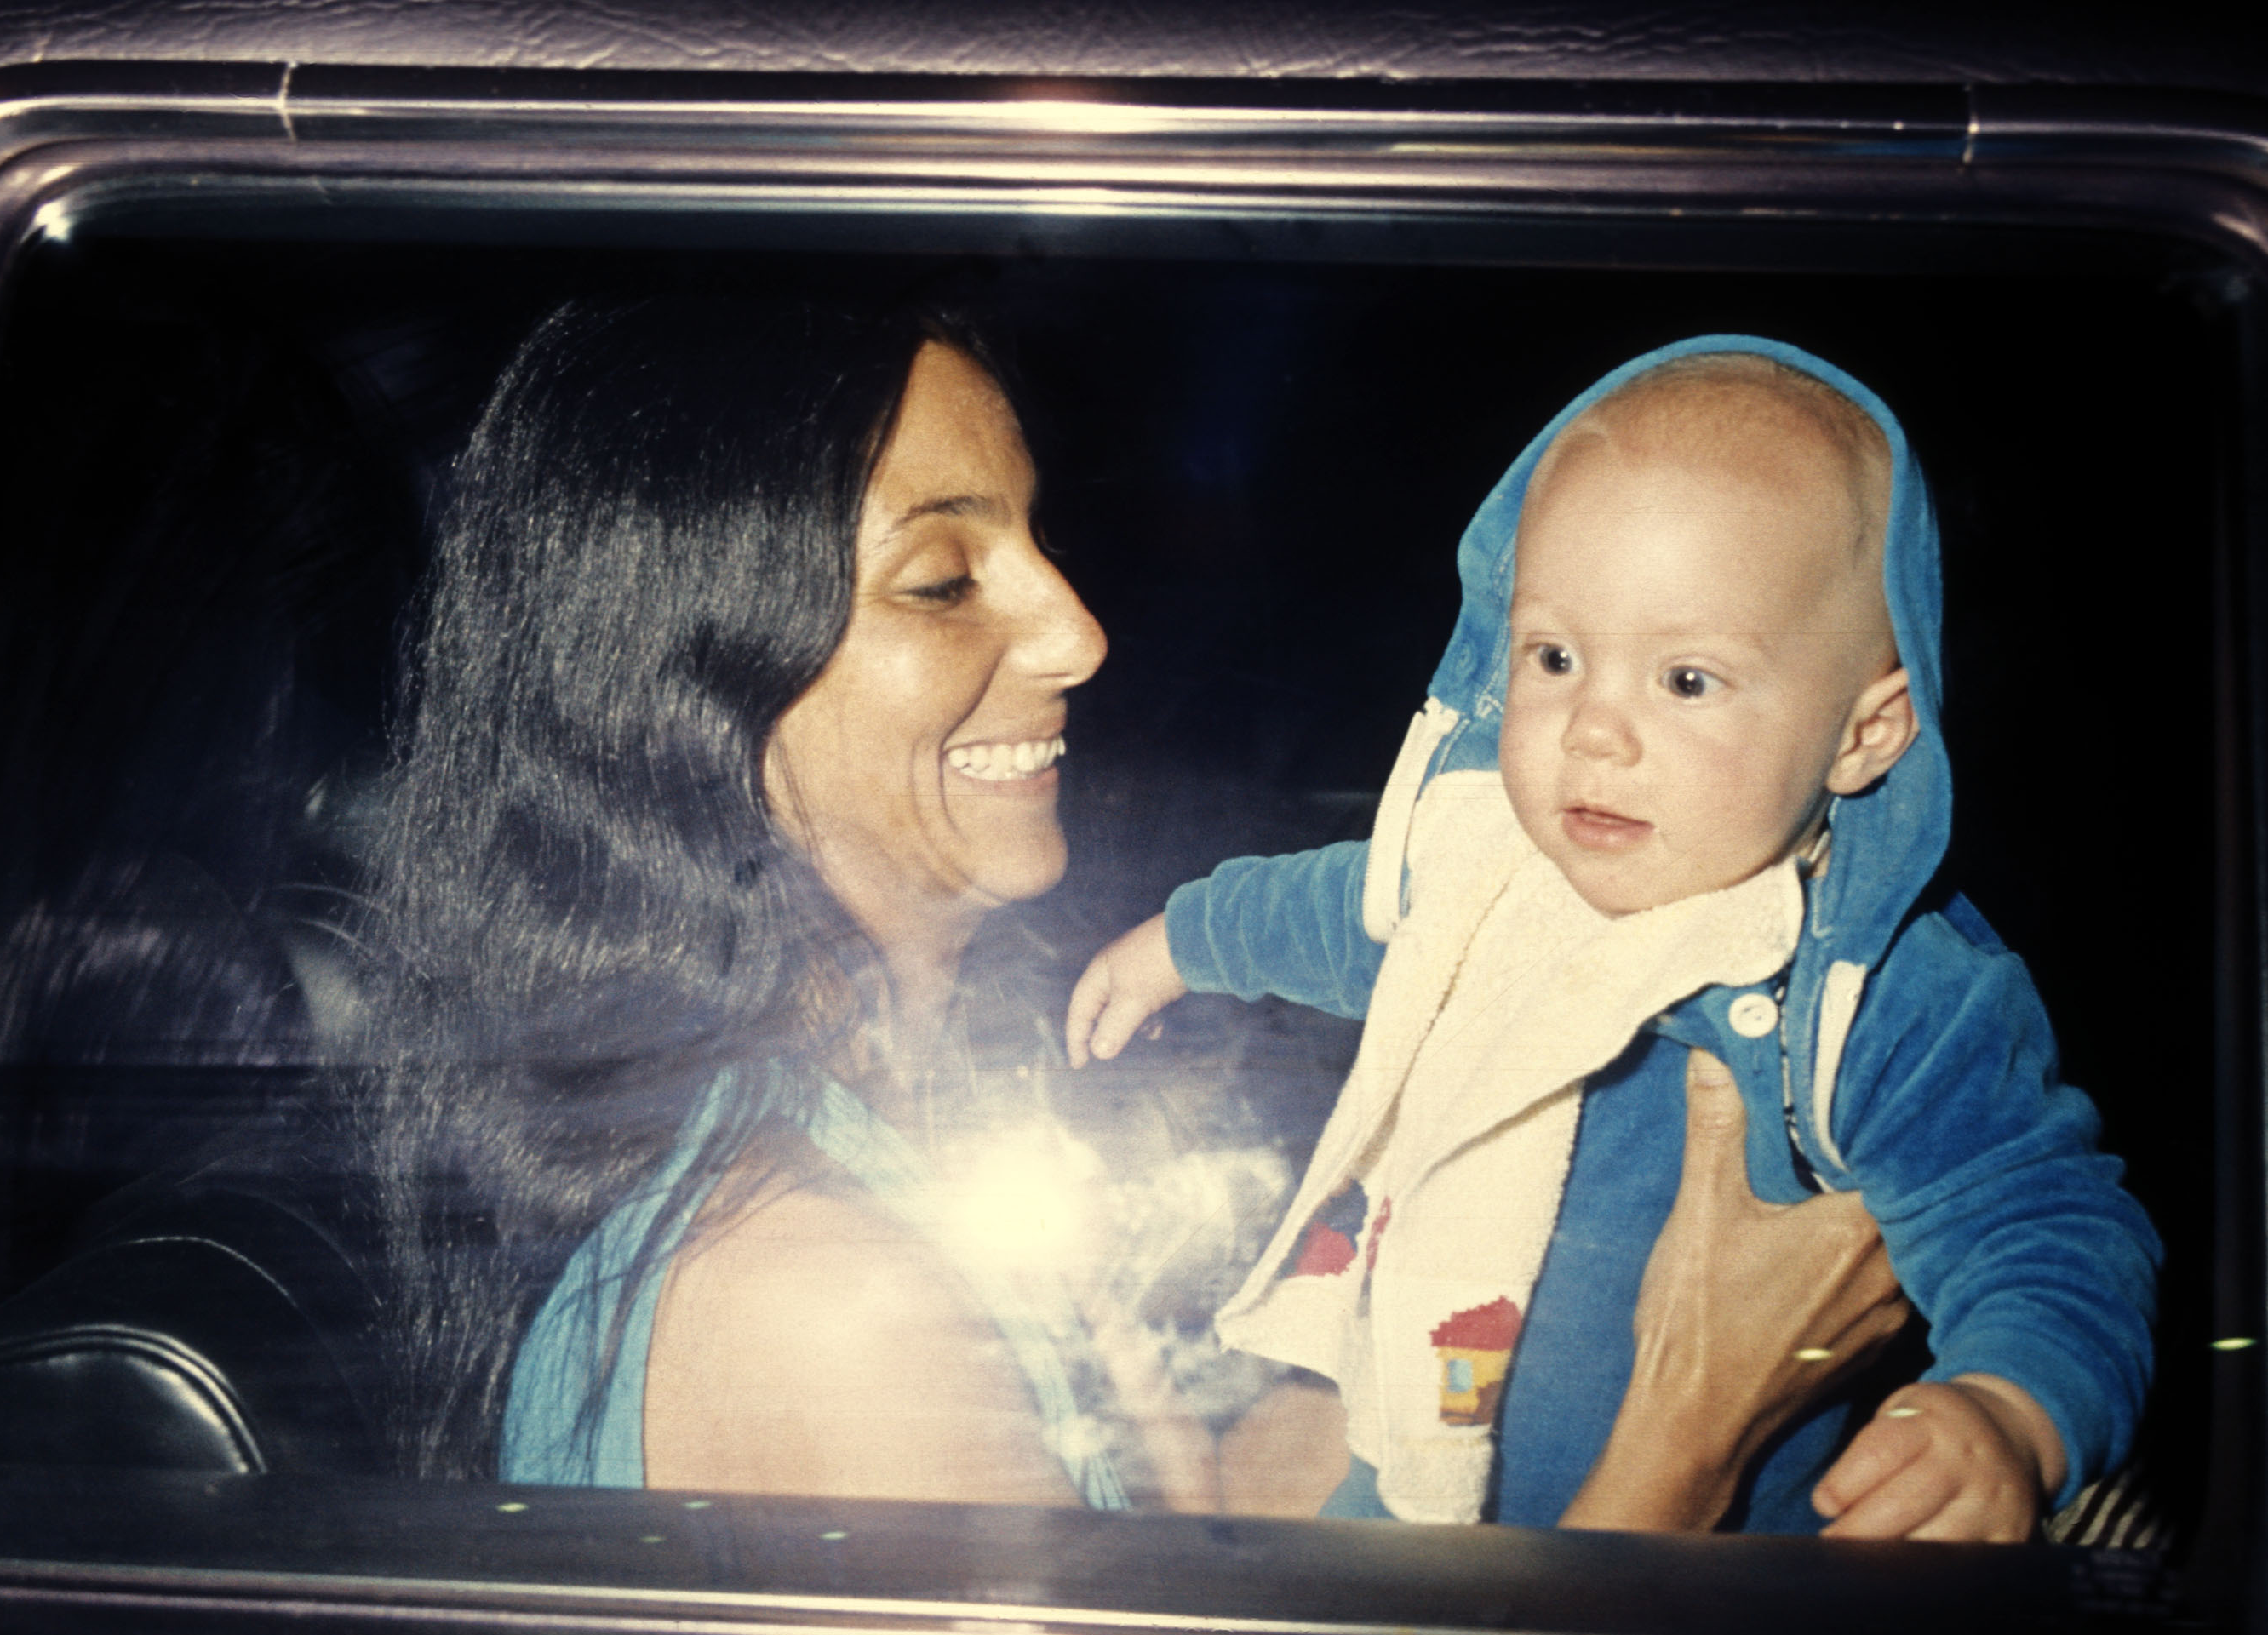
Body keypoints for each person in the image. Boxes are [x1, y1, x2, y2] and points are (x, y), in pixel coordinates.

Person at [363, 299, 1910, 1515]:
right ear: (686, 688)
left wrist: (1483, 1323)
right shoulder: (819, 1299)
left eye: (1035, 539)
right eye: (942, 579)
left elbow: (1175, 1527)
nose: (1081, 632)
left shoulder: (897, 1122)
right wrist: (1693, 1418)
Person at [1067, 335, 2161, 1541]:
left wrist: (2009, 1410)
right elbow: (1348, 909)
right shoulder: (1487, 876)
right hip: (1394, 1486)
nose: (1594, 729)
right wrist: (1183, 936)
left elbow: (2046, 1223)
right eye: (1555, 656)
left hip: (1704, 1583)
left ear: (1866, 733)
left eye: (1686, 680)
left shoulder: (1878, 992)